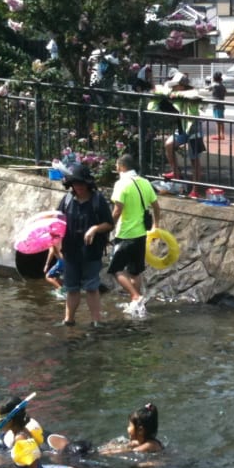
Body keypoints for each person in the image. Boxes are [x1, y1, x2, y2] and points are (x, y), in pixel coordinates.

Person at [57, 163, 114, 327]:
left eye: (81, 184)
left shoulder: (98, 200)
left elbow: (109, 224)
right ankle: (69, 320)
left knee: (91, 287)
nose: (78, 187)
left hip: (91, 252)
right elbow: (58, 221)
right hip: (70, 251)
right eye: (75, 184)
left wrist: (95, 229)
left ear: (88, 184)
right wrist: (55, 244)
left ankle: (96, 321)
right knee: (71, 288)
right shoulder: (67, 200)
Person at [109, 155, 162, 315]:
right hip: (141, 234)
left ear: (122, 166)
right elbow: (156, 206)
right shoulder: (145, 182)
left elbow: (117, 209)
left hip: (125, 233)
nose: (116, 168)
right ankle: (136, 305)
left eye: (117, 165)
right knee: (135, 270)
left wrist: (108, 227)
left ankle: (136, 296)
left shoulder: (121, 184)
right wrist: (156, 225)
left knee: (116, 269)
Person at [162, 71, 205, 198]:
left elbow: (194, 95)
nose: (173, 87)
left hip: (194, 129)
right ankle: (175, 172)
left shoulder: (193, 93)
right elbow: (166, 90)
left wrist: (176, 94)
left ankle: (195, 189)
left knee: (194, 160)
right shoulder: (178, 94)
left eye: (176, 85)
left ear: (182, 86)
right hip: (182, 127)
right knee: (168, 144)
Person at [209, 71, 227, 141]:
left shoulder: (215, 85)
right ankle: (222, 135)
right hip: (221, 104)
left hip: (216, 105)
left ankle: (220, 135)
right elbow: (226, 92)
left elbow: (207, 88)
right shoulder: (222, 85)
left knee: (218, 121)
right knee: (221, 121)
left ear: (214, 78)